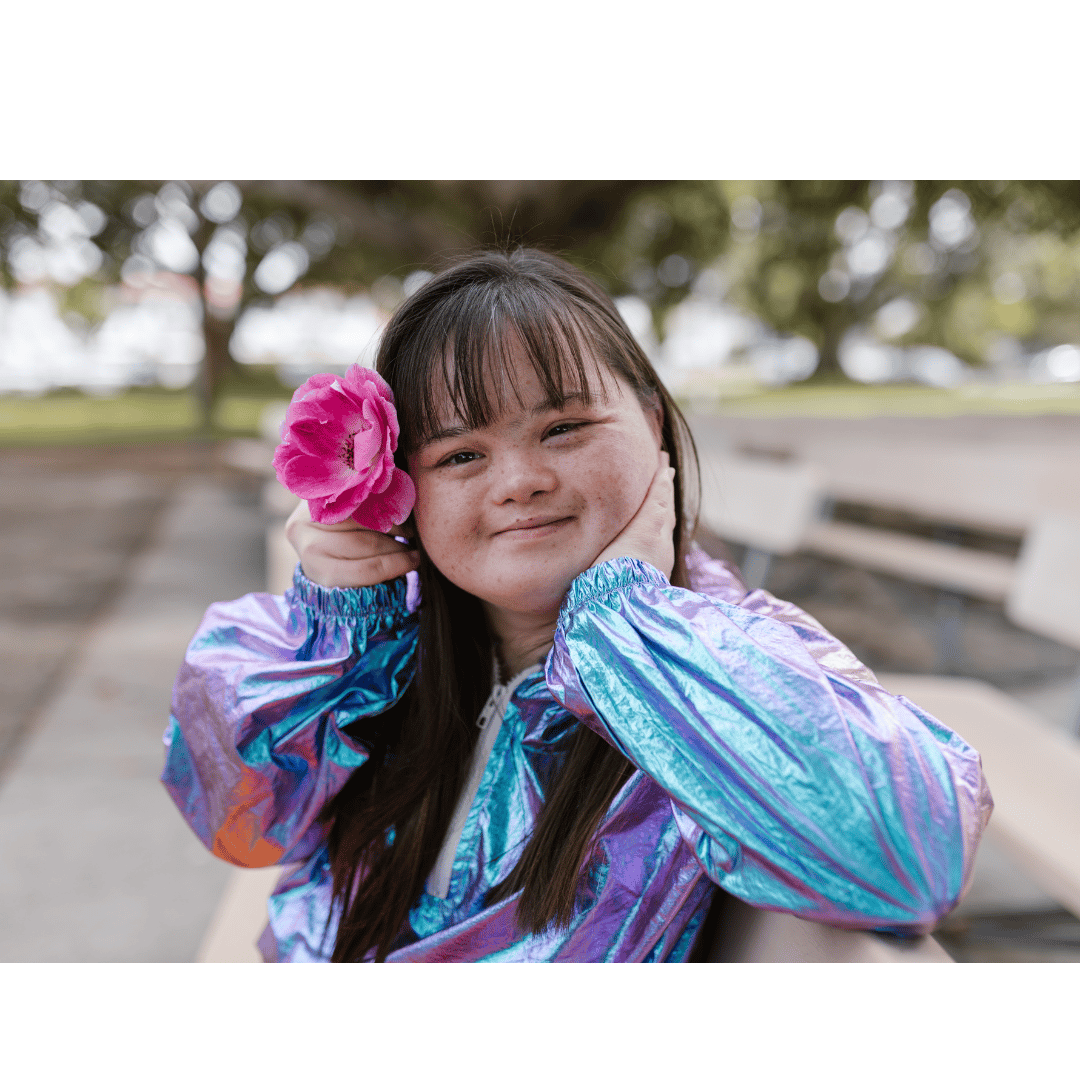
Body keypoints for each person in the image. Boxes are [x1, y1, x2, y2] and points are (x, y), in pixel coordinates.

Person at [163, 248, 992, 963]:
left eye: (562, 428)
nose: (519, 479)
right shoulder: (387, 653)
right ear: (401, 490)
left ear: (656, 424)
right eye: (460, 454)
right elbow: (236, 820)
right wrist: (339, 631)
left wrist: (625, 627)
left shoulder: (725, 657)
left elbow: (908, 857)